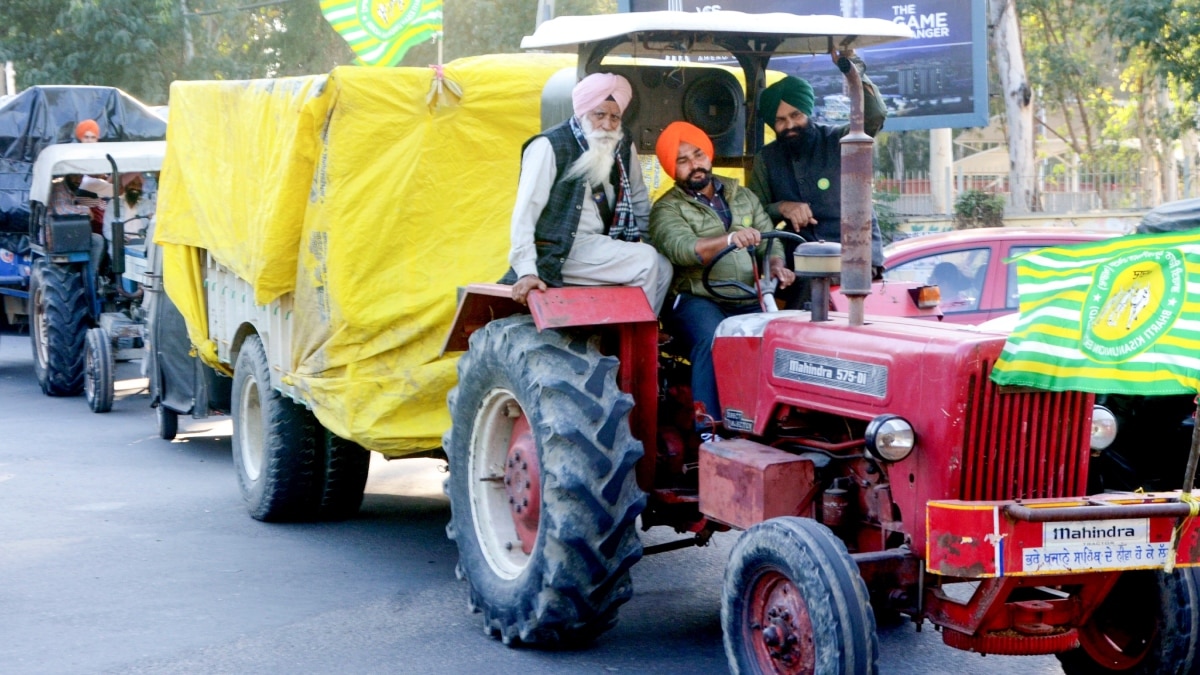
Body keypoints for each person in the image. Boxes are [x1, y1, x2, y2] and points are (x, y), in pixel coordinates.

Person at [649, 121, 795, 435]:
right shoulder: (666, 209)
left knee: (781, 339)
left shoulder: (741, 195)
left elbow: (770, 240)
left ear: (708, 154)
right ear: (671, 169)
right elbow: (685, 249)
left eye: (697, 154)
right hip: (695, 298)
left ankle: (775, 426)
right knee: (712, 339)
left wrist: (776, 264)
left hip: (746, 295)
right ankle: (710, 430)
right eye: (682, 160)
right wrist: (729, 239)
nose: (694, 165)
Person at [502, 72, 672, 314]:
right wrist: (527, 271)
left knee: (663, 266)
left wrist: (662, 246)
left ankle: (640, 335)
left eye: (615, 117)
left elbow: (638, 200)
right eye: (599, 115)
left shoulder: (622, 144)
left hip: (598, 245)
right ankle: (629, 341)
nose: (607, 124)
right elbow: (524, 214)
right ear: (583, 112)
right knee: (645, 260)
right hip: (556, 250)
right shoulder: (549, 146)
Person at [748, 49, 887, 308]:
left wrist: (853, 70)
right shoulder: (766, 159)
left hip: (853, 256)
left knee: (815, 295)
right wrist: (783, 207)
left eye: (795, 115)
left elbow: (874, 116)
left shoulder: (838, 141)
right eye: (780, 120)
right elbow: (754, 213)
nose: (789, 125)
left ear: (808, 111)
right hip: (800, 259)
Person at [103, 172, 155, 259]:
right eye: (132, 184)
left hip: (142, 245)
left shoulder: (147, 203)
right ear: (125, 185)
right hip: (121, 247)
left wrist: (152, 219)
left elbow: (152, 228)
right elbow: (107, 231)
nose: (136, 187)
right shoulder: (114, 204)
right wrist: (120, 239)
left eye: (139, 185)